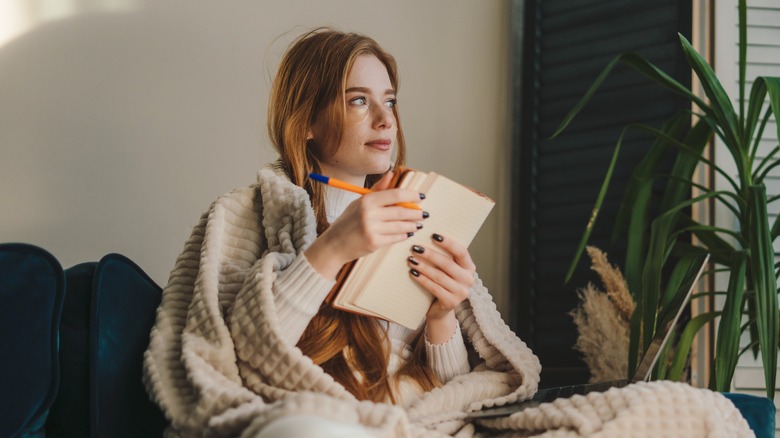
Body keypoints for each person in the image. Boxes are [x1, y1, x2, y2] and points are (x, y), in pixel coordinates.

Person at [142, 28, 750, 438]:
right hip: (328, 420)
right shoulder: (246, 214)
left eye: (391, 99)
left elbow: (458, 387)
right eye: (358, 101)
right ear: (305, 122)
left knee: (689, 410)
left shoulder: (424, 208)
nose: (385, 119)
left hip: (427, 425)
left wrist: (441, 317)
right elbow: (234, 359)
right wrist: (330, 251)